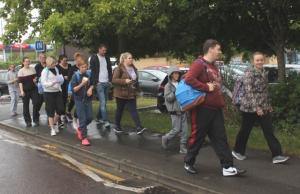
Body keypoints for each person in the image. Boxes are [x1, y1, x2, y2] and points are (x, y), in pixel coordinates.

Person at [183, 39, 245, 176]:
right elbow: (189, 79)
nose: (220, 52)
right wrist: (205, 87)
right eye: (218, 49)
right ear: (210, 49)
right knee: (198, 136)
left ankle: (227, 167)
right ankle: (188, 162)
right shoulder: (199, 64)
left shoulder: (214, 66)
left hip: (215, 108)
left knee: (220, 137)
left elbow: (216, 85)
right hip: (202, 108)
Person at [232, 52, 289, 164]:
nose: (260, 62)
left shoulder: (263, 72)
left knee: (269, 130)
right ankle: (237, 151)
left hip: (263, 107)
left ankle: (277, 155)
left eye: (261, 60)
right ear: (253, 61)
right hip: (249, 108)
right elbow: (249, 92)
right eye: (257, 60)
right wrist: (256, 108)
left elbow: (264, 92)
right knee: (245, 130)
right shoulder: (249, 73)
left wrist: (268, 105)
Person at [112, 52, 146, 135]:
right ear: (124, 59)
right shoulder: (119, 68)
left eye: (132, 58)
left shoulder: (134, 68)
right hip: (121, 94)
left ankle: (139, 127)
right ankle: (117, 126)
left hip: (131, 93)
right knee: (120, 110)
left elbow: (136, 81)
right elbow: (114, 80)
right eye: (129, 58)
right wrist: (124, 81)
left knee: (133, 110)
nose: (131, 59)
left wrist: (139, 90)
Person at [161, 66, 188, 154]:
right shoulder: (168, 86)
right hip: (174, 111)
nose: (177, 75)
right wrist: (175, 92)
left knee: (185, 130)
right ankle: (166, 138)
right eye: (175, 73)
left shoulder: (181, 84)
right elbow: (168, 99)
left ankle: (182, 147)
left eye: (178, 73)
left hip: (183, 109)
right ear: (171, 75)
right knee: (176, 129)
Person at [70, 55, 94, 146]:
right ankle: (84, 138)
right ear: (79, 67)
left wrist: (90, 88)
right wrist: (82, 84)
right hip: (79, 99)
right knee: (83, 119)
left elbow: (92, 84)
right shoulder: (75, 76)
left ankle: (80, 128)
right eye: (83, 67)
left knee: (90, 117)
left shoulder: (88, 74)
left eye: (86, 67)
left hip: (88, 99)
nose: (85, 68)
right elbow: (74, 89)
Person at [90, 44, 113, 128]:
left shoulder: (107, 58)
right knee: (103, 102)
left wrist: (110, 81)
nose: (104, 52)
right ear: (99, 49)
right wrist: (96, 82)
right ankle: (105, 120)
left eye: (105, 50)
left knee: (104, 102)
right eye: (103, 50)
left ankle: (98, 117)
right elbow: (93, 71)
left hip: (107, 82)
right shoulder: (94, 58)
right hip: (99, 83)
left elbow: (110, 69)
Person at [41, 56, 65, 136]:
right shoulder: (45, 71)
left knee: (60, 109)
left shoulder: (56, 69)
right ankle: (52, 129)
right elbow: (44, 84)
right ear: (49, 63)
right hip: (48, 93)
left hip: (57, 91)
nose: (55, 64)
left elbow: (59, 79)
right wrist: (53, 83)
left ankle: (54, 124)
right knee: (50, 111)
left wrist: (60, 80)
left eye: (55, 63)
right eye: (53, 63)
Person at [18, 57, 39, 127]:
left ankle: (35, 119)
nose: (27, 63)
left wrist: (35, 79)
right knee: (26, 106)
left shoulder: (32, 69)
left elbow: (36, 77)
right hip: (25, 91)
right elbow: (20, 82)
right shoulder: (21, 71)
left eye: (28, 61)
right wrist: (21, 91)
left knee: (36, 103)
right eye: (26, 61)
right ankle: (28, 121)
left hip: (34, 89)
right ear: (23, 62)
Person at [57, 54, 72, 126]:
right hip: (61, 85)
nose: (65, 62)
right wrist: (63, 77)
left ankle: (67, 113)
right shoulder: (57, 67)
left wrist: (69, 77)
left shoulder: (69, 66)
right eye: (64, 60)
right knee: (62, 100)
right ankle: (62, 116)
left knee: (69, 100)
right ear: (60, 60)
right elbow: (57, 76)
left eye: (66, 60)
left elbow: (72, 73)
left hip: (69, 85)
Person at [35, 52, 47, 120]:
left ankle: (49, 117)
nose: (43, 59)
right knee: (38, 103)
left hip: (48, 87)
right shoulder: (37, 66)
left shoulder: (48, 65)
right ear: (39, 58)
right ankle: (36, 115)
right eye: (42, 57)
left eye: (44, 57)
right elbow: (36, 77)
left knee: (48, 103)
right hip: (40, 87)